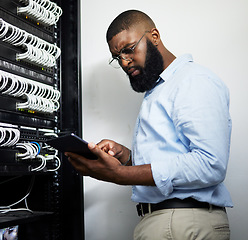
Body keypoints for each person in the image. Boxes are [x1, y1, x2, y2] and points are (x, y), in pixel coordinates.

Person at [65, 9, 233, 240]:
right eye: (117, 57)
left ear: (154, 36)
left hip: (184, 224)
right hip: (171, 223)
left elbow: (210, 164)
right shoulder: (161, 87)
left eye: (128, 49)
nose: (124, 61)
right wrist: (126, 157)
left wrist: (122, 174)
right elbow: (173, 156)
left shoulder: (192, 80)